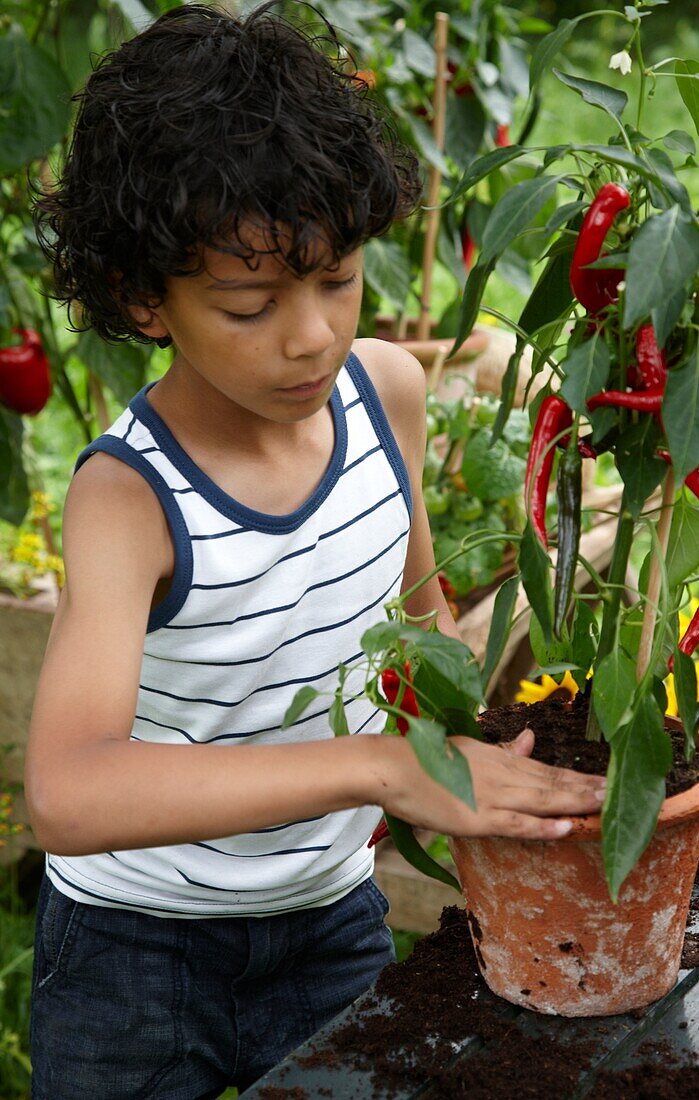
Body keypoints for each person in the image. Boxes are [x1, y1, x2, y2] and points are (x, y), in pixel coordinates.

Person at [25, 4, 607, 1096]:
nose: (311, 334)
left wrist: (573, 765)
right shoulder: (130, 496)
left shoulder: (386, 392)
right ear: (143, 297)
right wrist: (382, 767)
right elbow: (68, 789)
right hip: (136, 960)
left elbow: (420, 637)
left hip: (331, 921)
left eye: (337, 278)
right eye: (250, 301)